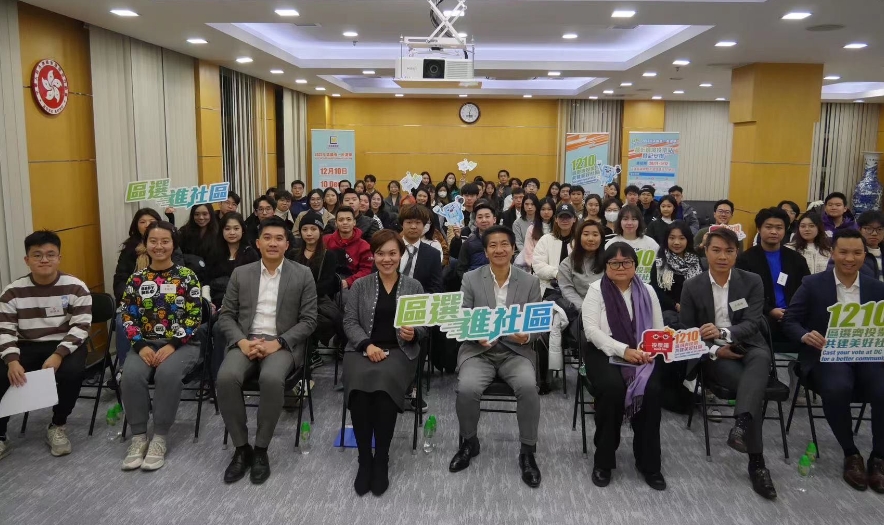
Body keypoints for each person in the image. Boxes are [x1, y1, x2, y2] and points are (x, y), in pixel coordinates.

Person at [216, 216, 317, 485]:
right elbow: (226, 316)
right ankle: (241, 448)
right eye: (267, 238)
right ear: (258, 243)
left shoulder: (302, 274)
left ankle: (260, 449)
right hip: (246, 340)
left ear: (287, 244)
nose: (273, 243)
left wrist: (279, 342)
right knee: (226, 378)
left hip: (281, 343)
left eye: (279, 238)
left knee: (271, 379)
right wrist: (242, 342)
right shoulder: (241, 273)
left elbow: (309, 320)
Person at [782, 229, 884, 494]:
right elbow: (790, 321)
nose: (850, 258)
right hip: (826, 355)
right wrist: (805, 336)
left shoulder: (877, 288)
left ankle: (879, 456)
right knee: (837, 387)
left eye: (857, 253)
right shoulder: (813, 283)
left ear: (865, 255)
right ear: (833, 253)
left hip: (867, 355)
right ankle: (851, 453)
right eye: (844, 252)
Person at [680, 228, 778, 499]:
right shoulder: (692, 286)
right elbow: (686, 330)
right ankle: (757, 464)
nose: (723, 256)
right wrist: (714, 350)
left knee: (761, 357)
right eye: (716, 250)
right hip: (715, 355)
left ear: (737, 253)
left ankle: (741, 424)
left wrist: (724, 333)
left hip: (748, 344)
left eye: (729, 251)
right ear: (705, 251)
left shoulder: (752, 281)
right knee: (752, 390)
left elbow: (753, 321)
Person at [449, 226, 543, 488]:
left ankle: (527, 452)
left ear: (514, 248)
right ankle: (469, 442)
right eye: (493, 245)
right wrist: (475, 333)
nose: (499, 250)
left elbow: (538, 323)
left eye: (505, 244)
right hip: (479, 351)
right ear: (486, 250)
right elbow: (462, 316)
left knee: (527, 387)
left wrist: (528, 337)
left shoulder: (530, 281)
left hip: (516, 352)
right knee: (466, 389)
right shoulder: (471, 278)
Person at [342, 229, 428, 496]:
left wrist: (414, 332)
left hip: (400, 352)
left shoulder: (414, 286)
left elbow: (425, 325)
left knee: (382, 393)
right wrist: (367, 345)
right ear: (373, 256)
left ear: (401, 255)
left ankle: (382, 458)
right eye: (381, 253)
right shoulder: (360, 285)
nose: (387, 258)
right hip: (361, 350)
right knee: (358, 393)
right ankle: (364, 458)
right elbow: (349, 322)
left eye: (393, 253)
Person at [0, 230, 91, 460]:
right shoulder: (12, 292)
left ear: (59, 258)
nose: (44, 260)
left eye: (51, 254)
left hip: (65, 344)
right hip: (26, 343)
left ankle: (57, 425)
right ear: (27, 259)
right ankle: (1, 435)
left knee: (72, 372)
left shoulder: (76, 287)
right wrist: (11, 361)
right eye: (37, 255)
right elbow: (5, 329)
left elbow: (81, 327)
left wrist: (59, 354)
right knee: (2, 373)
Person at [119, 222, 202, 472]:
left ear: (173, 244)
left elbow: (194, 315)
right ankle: (139, 437)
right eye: (153, 241)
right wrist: (140, 345)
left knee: (167, 374)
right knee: (130, 377)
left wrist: (173, 344)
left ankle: (160, 437)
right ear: (145, 245)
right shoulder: (136, 279)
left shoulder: (187, 277)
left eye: (165, 241)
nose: (159, 246)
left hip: (182, 344)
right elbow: (128, 316)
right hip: (144, 344)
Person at [582, 242, 666, 490]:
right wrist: (623, 351)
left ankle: (649, 464)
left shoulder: (648, 291)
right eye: (614, 263)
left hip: (642, 353)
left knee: (651, 392)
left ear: (635, 265)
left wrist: (649, 351)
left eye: (626, 262)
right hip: (604, 352)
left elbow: (658, 329)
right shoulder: (596, 290)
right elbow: (592, 331)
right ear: (606, 266)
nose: (620, 267)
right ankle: (604, 461)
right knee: (611, 390)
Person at [736, 207, 810, 341]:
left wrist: (793, 312)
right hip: (761, 316)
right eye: (768, 227)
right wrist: (769, 310)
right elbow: (742, 295)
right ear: (759, 229)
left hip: (794, 315)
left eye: (779, 227)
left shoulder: (796, 259)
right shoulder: (745, 259)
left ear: (786, 229)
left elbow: (806, 289)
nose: (774, 231)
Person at [289, 211, 343, 354]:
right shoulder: (292, 254)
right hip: (293, 300)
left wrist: (305, 294)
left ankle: (309, 352)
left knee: (318, 320)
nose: (309, 233)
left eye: (313, 229)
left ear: (320, 231)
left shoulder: (328, 255)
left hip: (318, 300)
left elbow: (327, 283)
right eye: (305, 229)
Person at [649, 221, 702, 327]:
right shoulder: (660, 263)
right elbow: (656, 291)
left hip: (694, 310)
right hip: (668, 312)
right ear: (666, 240)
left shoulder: (696, 261)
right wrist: (676, 306)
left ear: (688, 240)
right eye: (672, 238)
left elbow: (702, 288)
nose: (676, 242)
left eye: (681, 238)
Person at [209, 213, 261, 309]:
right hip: (215, 303)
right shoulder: (214, 252)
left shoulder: (250, 253)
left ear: (243, 230)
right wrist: (208, 301)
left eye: (236, 228)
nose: (232, 233)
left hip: (242, 304)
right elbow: (206, 279)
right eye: (227, 229)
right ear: (222, 231)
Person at [324, 207, 374, 292]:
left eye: (348, 219)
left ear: (354, 222)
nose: (345, 222)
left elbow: (366, 270)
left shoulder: (364, 246)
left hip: (353, 286)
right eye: (341, 220)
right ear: (335, 223)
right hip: (327, 282)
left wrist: (348, 282)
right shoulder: (325, 240)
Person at [558, 220, 605, 311]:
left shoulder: (609, 261)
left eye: (595, 235)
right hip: (580, 311)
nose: (590, 239)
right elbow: (567, 290)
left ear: (601, 239)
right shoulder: (566, 264)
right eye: (586, 234)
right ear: (578, 238)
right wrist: (585, 310)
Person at [532, 203, 577, 294]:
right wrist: (556, 273)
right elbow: (538, 265)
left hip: (574, 288)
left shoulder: (579, 241)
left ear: (574, 219)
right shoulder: (546, 239)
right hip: (548, 288)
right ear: (556, 219)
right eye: (561, 217)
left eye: (568, 217)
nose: (565, 220)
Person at [456, 201, 498, 278]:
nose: (484, 220)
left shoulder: (502, 240)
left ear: (494, 219)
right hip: (475, 281)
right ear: (475, 221)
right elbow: (461, 269)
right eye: (480, 217)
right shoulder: (469, 242)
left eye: (487, 216)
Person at [179, 203, 221, 271]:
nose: (201, 218)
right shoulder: (184, 232)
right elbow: (178, 254)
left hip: (211, 274)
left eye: (205, 214)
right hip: (189, 273)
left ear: (211, 214)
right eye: (197, 214)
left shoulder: (219, 233)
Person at [518, 198, 555, 271]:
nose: (546, 212)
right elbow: (528, 252)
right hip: (536, 267)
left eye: (549, 209)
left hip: (555, 266)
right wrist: (537, 267)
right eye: (543, 209)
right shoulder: (531, 229)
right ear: (538, 211)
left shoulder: (558, 229)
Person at [858, 210, 884, 280]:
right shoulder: (854, 254)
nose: (874, 233)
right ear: (859, 230)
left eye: (879, 229)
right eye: (869, 229)